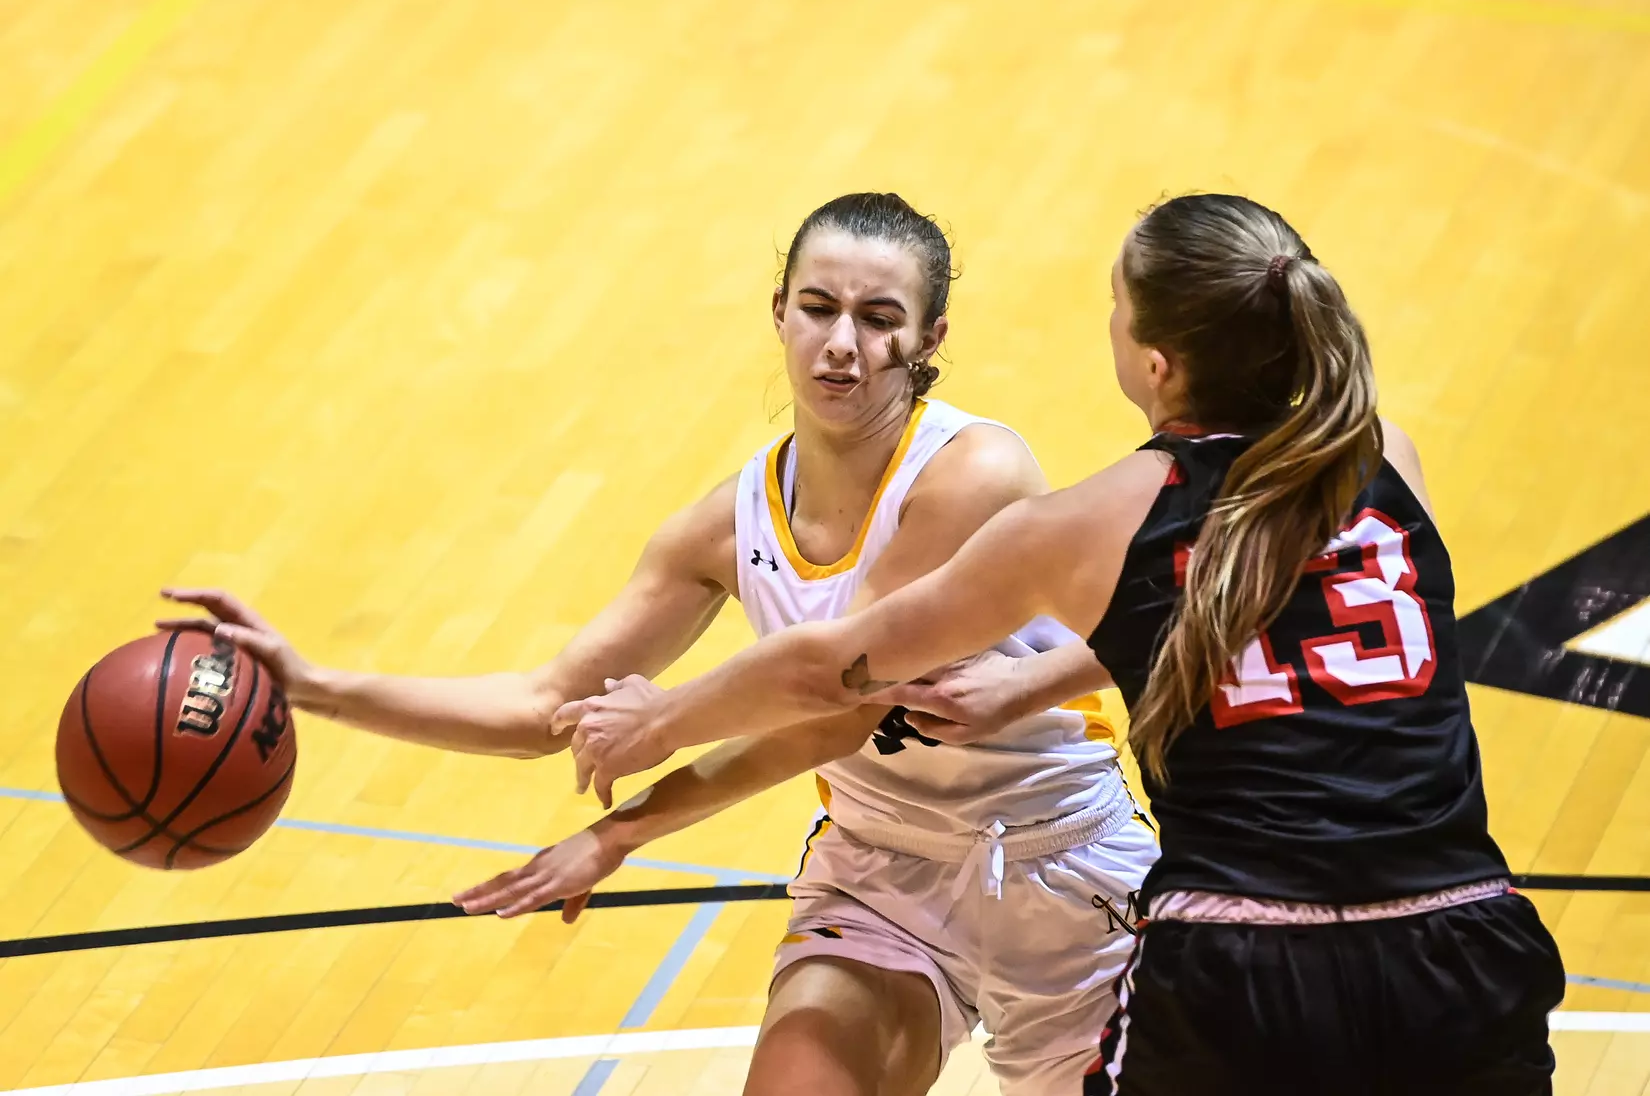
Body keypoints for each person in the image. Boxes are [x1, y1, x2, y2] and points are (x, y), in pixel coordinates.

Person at [557, 192, 1568, 1096]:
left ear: (1155, 362)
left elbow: (836, 665)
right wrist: (1041, 677)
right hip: (1463, 936)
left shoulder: (1091, 522)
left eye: (1116, 310)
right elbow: (1247, 607)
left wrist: (663, 714)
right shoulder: (1384, 452)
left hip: (1244, 952)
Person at [160, 192, 1157, 1096]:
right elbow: (542, 708)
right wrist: (312, 686)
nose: (841, 343)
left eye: (879, 318)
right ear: (779, 311)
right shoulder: (724, 528)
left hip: (1061, 868)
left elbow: (839, 699)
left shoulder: (973, 470)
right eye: (818, 307)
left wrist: (629, 811)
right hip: (882, 869)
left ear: (928, 337)